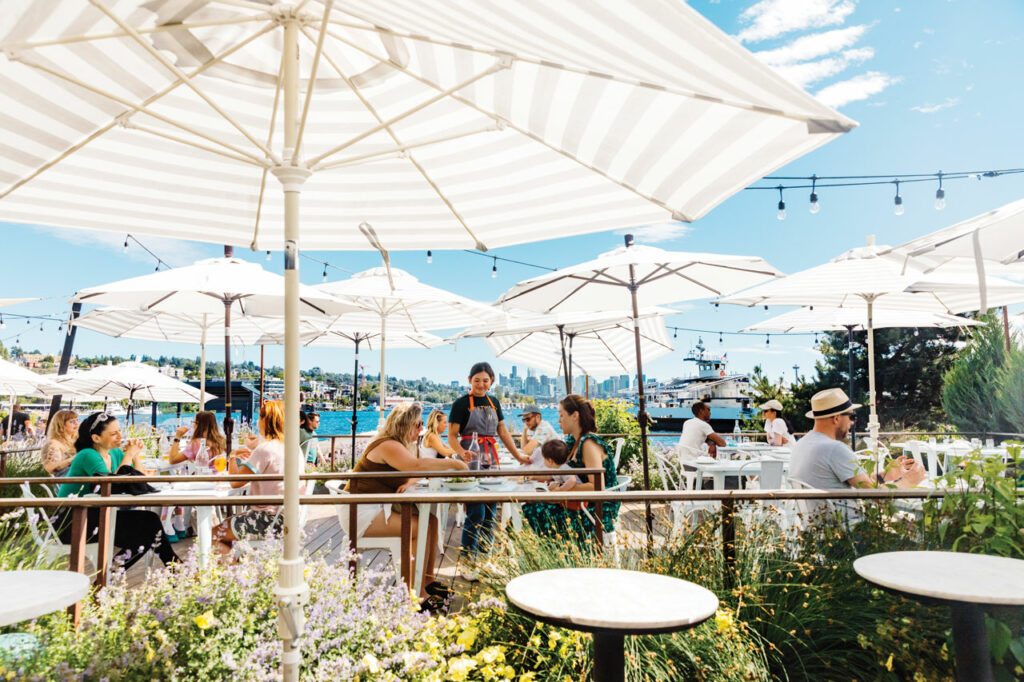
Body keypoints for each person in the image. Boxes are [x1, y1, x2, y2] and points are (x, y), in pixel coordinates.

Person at [346, 402, 467, 606]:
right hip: (361, 511)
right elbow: (416, 466)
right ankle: (414, 592)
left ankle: (427, 581)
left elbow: (410, 471)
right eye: (418, 424)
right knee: (419, 528)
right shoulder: (388, 445)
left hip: (374, 506)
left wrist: (410, 480)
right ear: (406, 424)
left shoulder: (396, 444)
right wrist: (454, 463)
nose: (421, 428)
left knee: (431, 520)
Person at [54, 412, 179, 569]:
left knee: (149, 522)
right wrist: (129, 455)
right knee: (148, 528)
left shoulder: (114, 453)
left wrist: (134, 457)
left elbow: (140, 480)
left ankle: (111, 577)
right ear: (96, 438)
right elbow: (112, 486)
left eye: (120, 431)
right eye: (114, 433)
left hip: (95, 516)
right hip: (72, 521)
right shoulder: (87, 455)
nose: (120, 436)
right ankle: (173, 567)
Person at [448, 362, 524, 565]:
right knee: (476, 511)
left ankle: (484, 559)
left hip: (491, 458)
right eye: (477, 380)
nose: (481, 384)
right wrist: (461, 452)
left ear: (491, 382)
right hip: (470, 460)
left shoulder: (495, 403)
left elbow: (503, 433)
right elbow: (452, 436)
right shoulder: (461, 404)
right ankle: (466, 559)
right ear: (469, 380)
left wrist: (518, 457)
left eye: (485, 380)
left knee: (491, 511)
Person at [523, 394, 619, 541]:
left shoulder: (588, 443)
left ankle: (560, 557)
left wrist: (559, 492)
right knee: (529, 506)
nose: (558, 420)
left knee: (532, 510)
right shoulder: (573, 442)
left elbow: (597, 487)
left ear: (575, 416)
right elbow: (560, 472)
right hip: (580, 504)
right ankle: (553, 556)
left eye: (561, 415)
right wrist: (532, 476)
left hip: (596, 512)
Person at [790, 388, 925, 492]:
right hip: (848, 525)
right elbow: (875, 496)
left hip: (817, 524)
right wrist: (908, 482)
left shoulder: (801, 444)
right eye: (852, 416)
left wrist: (886, 476)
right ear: (836, 418)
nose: (852, 423)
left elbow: (862, 484)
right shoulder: (834, 449)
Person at [213, 401, 286, 556]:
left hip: (268, 520)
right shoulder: (291, 447)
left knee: (212, 535)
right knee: (230, 522)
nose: (258, 421)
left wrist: (232, 457)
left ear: (266, 420)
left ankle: (233, 575)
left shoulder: (265, 449)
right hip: (287, 516)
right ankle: (237, 569)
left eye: (260, 417)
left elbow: (235, 483)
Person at [39, 409, 79, 476]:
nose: (76, 423)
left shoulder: (78, 440)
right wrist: (72, 459)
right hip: (66, 481)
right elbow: (50, 468)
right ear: (61, 424)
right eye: (72, 421)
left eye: (77, 420)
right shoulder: (54, 444)